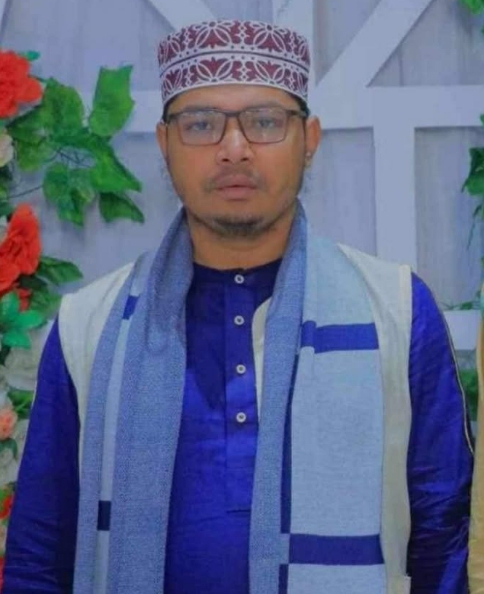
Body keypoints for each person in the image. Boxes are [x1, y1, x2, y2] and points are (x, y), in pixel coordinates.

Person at [3, 19, 473, 594]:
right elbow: (38, 554)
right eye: (201, 124)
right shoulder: (90, 326)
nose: (233, 149)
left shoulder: (397, 310)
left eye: (265, 121)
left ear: (310, 140)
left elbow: (441, 539)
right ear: (164, 145)